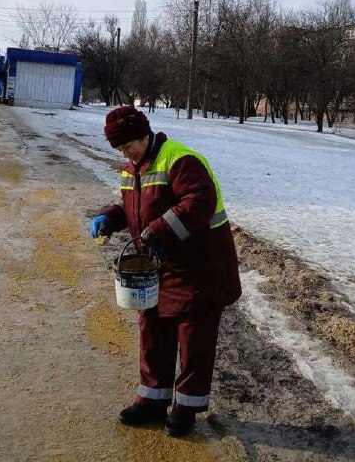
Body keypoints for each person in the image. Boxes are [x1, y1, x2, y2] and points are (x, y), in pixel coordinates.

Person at [90, 105, 241, 438]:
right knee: (153, 329)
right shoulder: (132, 169)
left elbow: (200, 200)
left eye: (129, 145)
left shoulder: (180, 160)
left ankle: (186, 407)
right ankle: (152, 399)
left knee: (193, 340)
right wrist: (111, 217)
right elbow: (137, 209)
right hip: (162, 266)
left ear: (145, 134)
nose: (125, 153)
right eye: (120, 148)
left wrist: (158, 232)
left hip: (201, 268)